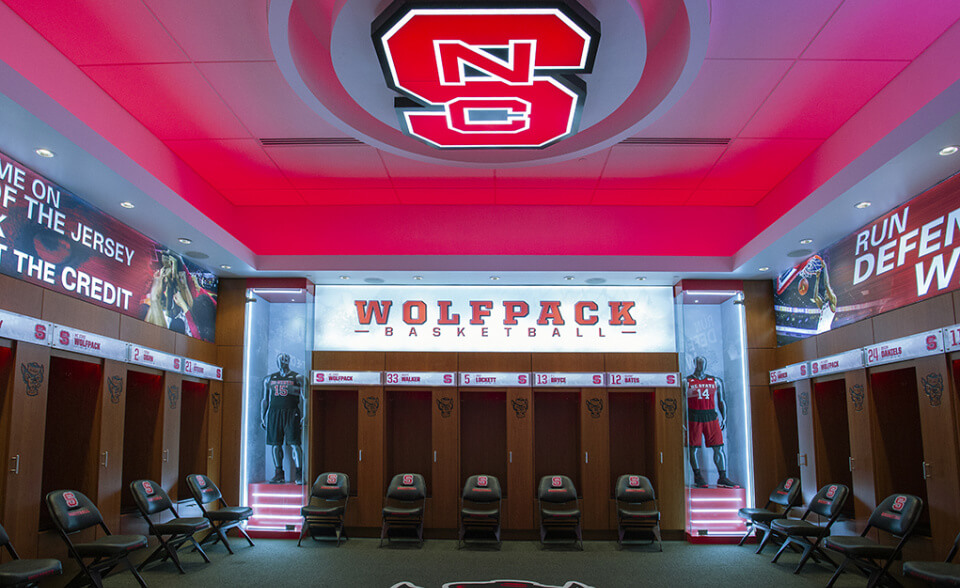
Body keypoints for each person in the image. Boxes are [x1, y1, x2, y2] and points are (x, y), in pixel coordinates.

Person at [685, 356, 736, 488]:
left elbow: (721, 401)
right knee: (693, 448)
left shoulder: (715, 381)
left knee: (718, 447)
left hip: (711, 416)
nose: (701, 365)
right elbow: (682, 402)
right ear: (694, 363)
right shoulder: (687, 381)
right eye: (699, 362)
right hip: (694, 416)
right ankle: (697, 475)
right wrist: (682, 420)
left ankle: (723, 476)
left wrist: (724, 417)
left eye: (703, 362)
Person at [260, 353, 304, 484]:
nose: (282, 362)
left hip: (291, 412)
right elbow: (265, 399)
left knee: (295, 443)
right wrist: (262, 416)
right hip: (274, 413)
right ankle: (278, 473)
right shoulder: (269, 378)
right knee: (275, 444)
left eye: (284, 360)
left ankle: (299, 473)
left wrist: (305, 415)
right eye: (279, 360)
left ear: (288, 361)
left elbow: (305, 398)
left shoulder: (297, 377)